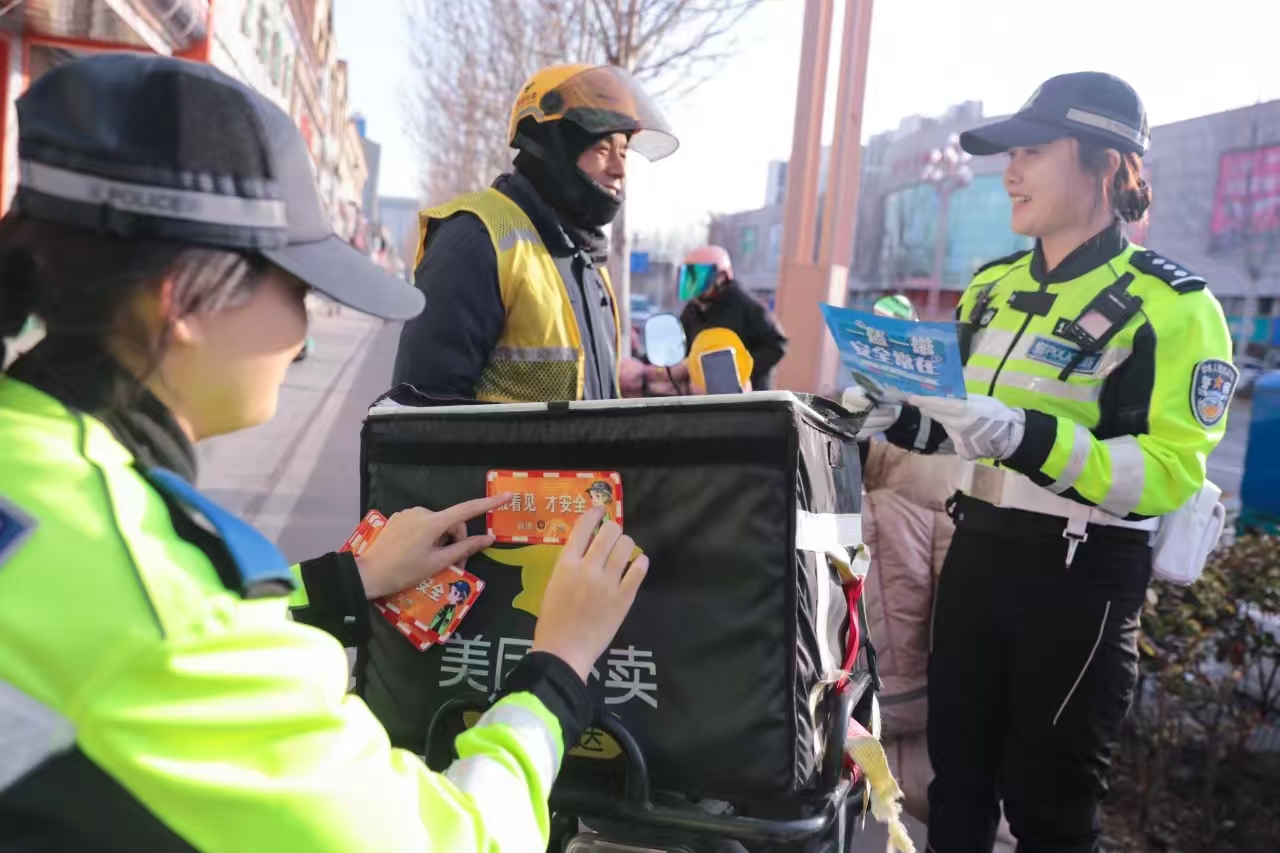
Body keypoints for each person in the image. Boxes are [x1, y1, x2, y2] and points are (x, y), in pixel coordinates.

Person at [0, 54, 648, 852]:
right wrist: (558, 670)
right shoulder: (162, 613)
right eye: (296, 284)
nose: (305, 325)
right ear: (185, 301)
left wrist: (348, 579)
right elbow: (450, 839)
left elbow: (119, 626)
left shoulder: (43, 477)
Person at [851, 72, 1235, 852]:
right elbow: (962, 427)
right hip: (975, 549)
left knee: (1049, 809)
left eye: (1032, 151)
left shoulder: (1175, 305)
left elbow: (1169, 470)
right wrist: (894, 417)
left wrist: (1024, 435)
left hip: (1080, 580)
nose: (1011, 171)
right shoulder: (990, 288)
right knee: (956, 787)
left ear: (1105, 163)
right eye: (1009, 154)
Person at [392, 64, 677, 403]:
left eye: (624, 152)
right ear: (555, 148)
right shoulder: (477, 238)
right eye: (602, 149)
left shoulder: (586, 258)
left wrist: (631, 387)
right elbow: (424, 410)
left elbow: (575, 383)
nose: (619, 169)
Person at [677, 245, 788, 390]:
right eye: (689, 276)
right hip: (705, 394)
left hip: (748, 397)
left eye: (698, 277)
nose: (693, 284)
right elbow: (681, 347)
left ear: (721, 277)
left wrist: (741, 368)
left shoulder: (744, 305)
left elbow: (777, 345)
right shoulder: (693, 310)